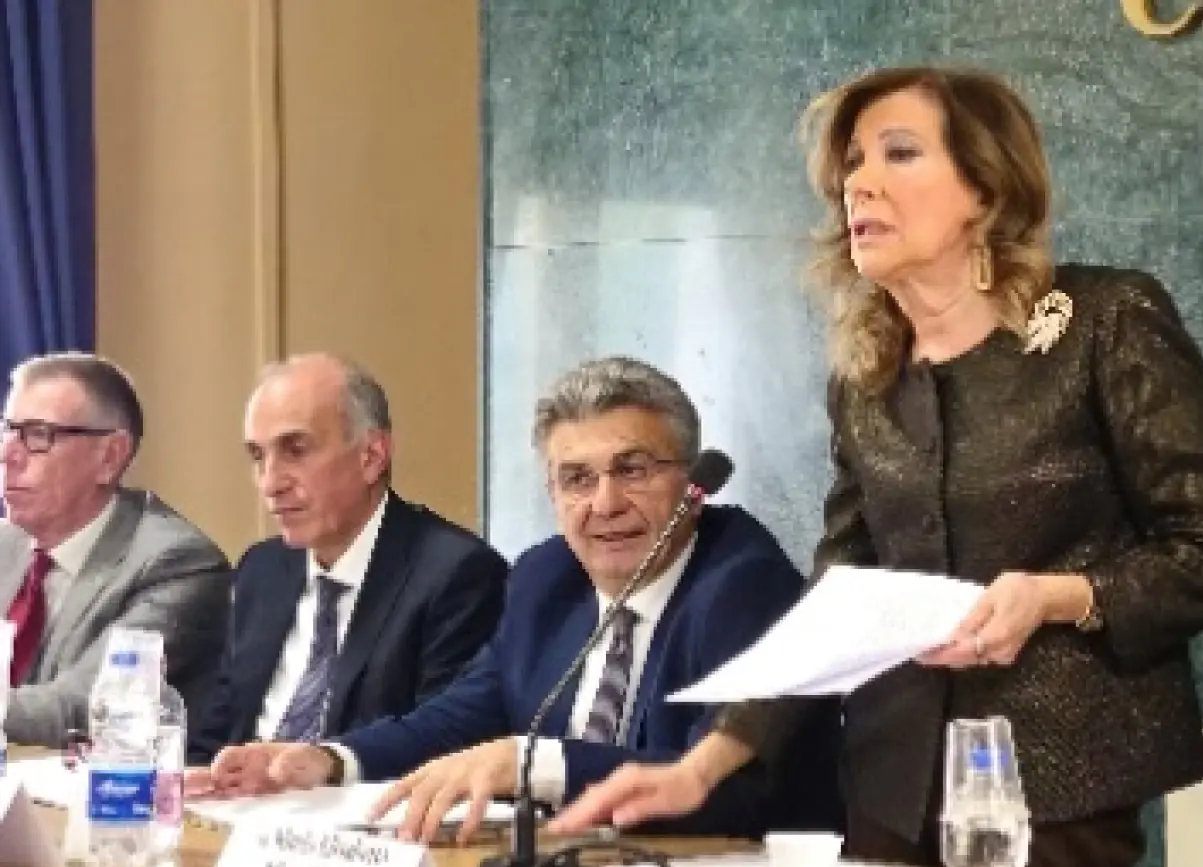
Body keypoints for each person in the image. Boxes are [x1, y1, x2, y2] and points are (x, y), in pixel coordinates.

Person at [551, 65, 1203, 867]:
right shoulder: (866, 378)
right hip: (889, 784)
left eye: (899, 153)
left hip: (1056, 787)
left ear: (985, 188)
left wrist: (1055, 596)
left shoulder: (1107, 322)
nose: (860, 183)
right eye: (852, 163)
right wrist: (701, 767)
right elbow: (836, 602)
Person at [198, 357, 837, 842]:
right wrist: (330, 761)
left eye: (633, 470)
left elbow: (720, 787)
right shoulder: (544, 579)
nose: (606, 503)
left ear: (693, 485)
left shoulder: (742, 581)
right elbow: (457, 718)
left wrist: (535, 763)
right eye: (576, 479)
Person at [184, 354, 508, 765]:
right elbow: (218, 731)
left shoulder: (456, 574)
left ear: (371, 455)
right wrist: (193, 779)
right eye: (257, 457)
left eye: (295, 450)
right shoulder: (262, 570)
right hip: (246, 799)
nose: (270, 483)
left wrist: (321, 766)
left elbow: (442, 745)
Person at [0, 353, 230, 745]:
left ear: (110, 456)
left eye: (38, 435)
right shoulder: (7, 543)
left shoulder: (177, 564)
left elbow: (84, 708)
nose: (8, 455)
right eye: (8, 429)